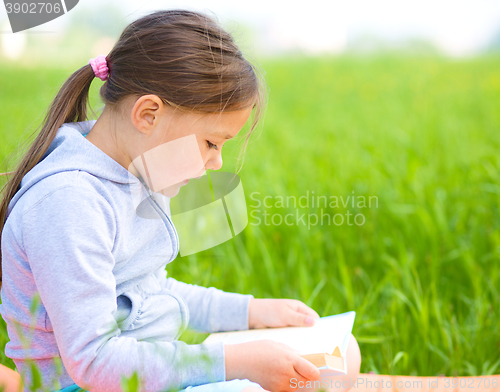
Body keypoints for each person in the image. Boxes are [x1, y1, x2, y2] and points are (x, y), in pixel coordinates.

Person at [0, 9, 360, 392]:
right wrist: (237, 363)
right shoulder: (68, 202)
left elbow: (153, 290)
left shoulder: (137, 173)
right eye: (210, 143)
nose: (217, 162)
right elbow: (93, 361)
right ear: (149, 114)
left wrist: (250, 311)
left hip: (146, 377)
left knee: (340, 354)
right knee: (318, 373)